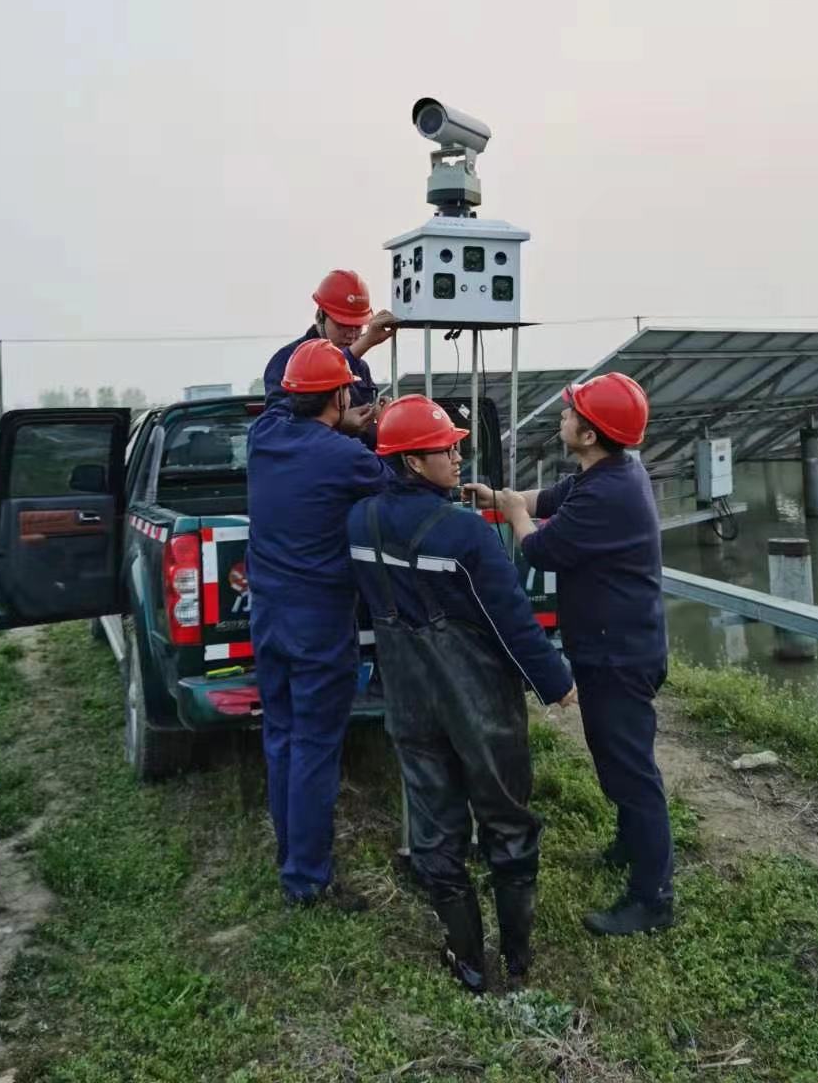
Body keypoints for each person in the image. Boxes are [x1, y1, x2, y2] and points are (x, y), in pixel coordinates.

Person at [348, 395, 576, 993]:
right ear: (411, 463)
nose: (456, 454)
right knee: (506, 818)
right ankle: (518, 956)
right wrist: (554, 682)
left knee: (433, 824)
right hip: (479, 704)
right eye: (444, 448)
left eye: (455, 443)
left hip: (408, 697)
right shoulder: (464, 534)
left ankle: (468, 960)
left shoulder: (359, 521)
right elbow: (510, 620)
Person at [467, 372, 673, 938]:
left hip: (620, 655)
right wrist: (502, 497)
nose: (562, 416)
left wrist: (512, 516)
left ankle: (653, 897)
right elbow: (548, 501)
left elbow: (541, 548)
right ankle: (630, 846)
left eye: (570, 412)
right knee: (616, 759)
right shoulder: (606, 471)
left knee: (631, 771)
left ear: (588, 434)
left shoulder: (609, 493)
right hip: (614, 645)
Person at [247, 338, 392, 909]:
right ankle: (306, 879)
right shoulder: (343, 457)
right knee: (313, 746)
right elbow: (393, 479)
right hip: (318, 622)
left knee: (280, 736)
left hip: (269, 617)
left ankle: (291, 856)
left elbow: (289, 405)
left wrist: (340, 415)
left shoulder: (265, 436)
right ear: (337, 394)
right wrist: (368, 429)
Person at [263, 269, 397, 438]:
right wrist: (337, 422)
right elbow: (280, 430)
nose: (351, 334)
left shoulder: (360, 368)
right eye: (342, 325)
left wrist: (378, 414)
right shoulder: (286, 360)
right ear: (320, 316)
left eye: (357, 326)